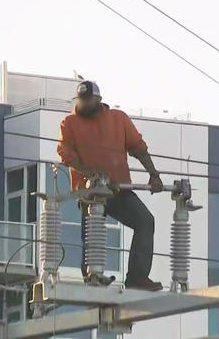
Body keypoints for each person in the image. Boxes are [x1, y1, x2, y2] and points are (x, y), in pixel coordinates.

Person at [57, 80, 164, 291]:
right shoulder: (69, 123)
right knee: (92, 233)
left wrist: (154, 174)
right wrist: (90, 173)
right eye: (80, 101)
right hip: (90, 192)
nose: (83, 105)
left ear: (98, 100)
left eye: (87, 101)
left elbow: (138, 147)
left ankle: (137, 277)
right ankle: (92, 278)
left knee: (145, 221)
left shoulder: (118, 119)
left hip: (118, 189)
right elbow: (65, 154)